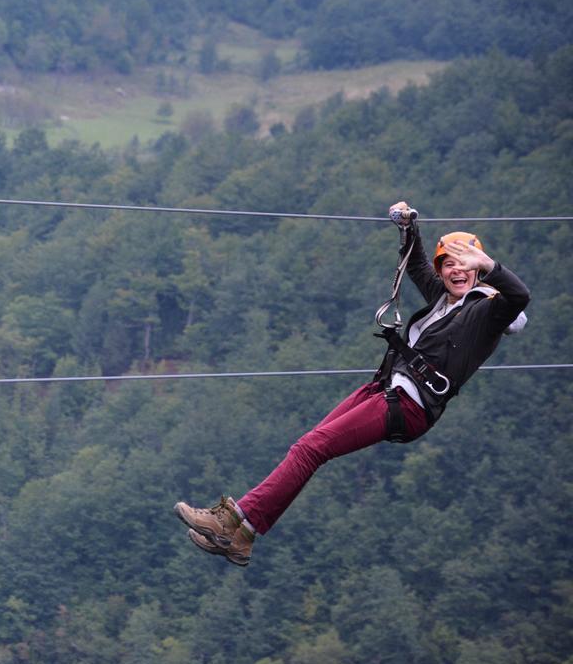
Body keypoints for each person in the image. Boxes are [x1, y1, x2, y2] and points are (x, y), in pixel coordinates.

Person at [175, 201, 530, 567]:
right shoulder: (442, 297)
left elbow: (519, 296)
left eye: (465, 265)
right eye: (449, 265)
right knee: (306, 446)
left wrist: (488, 265)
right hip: (387, 389)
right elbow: (418, 264)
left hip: (410, 406)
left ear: (478, 272)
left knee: (312, 449)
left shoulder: (487, 311)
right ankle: (242, 536)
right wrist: (408, 227)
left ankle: (231, 520)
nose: (457, 271)